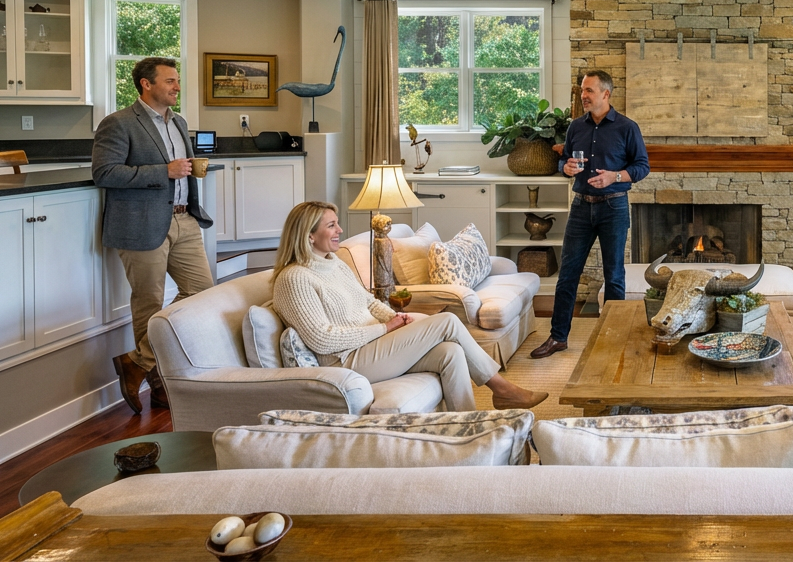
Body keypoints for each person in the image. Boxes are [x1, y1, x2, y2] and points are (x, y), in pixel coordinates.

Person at [272, 201, 548, 411]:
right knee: (448, 321)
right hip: (344, 360)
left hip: (370, 346)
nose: (340, 230)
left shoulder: (333, 263)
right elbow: (322, 339)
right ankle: (502, 389)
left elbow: (368, 302)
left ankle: (468, 425)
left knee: (450, 352)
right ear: (309, 235)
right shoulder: (295, 278)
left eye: (337, 224)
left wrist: (396, 319)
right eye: (331, 225)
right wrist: (385, 328)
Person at [93, 57, 214, 414]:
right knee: (149, 302)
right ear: (146, 84)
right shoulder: (118, 123)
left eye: (177, 80)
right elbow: (105, 173)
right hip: (140, 224)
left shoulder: (179, 122)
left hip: (184, 219)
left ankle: (137, 361)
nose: (178, 86)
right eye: (170, 81)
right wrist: (164, 171)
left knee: (202, 294)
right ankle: (159, 384)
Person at [529, 70, 649, 359]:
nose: (583, 95)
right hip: (581, 207)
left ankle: (613, 340)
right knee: (567, 275)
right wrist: (566, 168)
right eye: (583, 90)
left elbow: (642, 166)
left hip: (614, 207)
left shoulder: (627, 127)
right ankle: (558, 337)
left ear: (606, 94)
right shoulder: (575, 127)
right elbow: (564, 162)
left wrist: (615, 176)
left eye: (589, 90)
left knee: (614, 276)